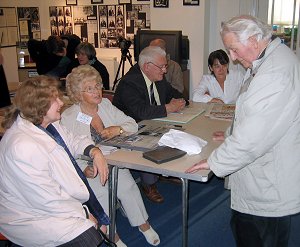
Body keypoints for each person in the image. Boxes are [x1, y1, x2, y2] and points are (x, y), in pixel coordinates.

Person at [186, 15, 300, 247]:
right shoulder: (266, 60)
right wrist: (229, 134)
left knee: (259, 237)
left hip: (268, 185)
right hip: (265, 175)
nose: (233, 58)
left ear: (254, 40)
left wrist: (214, 161)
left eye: (234, 50)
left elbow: (252, 138)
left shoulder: (274, 73)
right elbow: (252, 114)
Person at [0, 76, 110, 246]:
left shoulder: (47, 124)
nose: (61, 103)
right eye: (56, 99)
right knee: (89, 237)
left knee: (96, 230)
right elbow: (46, 199)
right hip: (28, 214)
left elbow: (74, 140)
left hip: (49, 204)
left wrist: (95, 152)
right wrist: (83, 213)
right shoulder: (22, 146)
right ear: (39, 105)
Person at [61, 65, 160, 247]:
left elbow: (132, 124)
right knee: (101, 195)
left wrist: (118, 129)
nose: (97, 91)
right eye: (90, 89)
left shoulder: (105, 105)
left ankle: (143, 224)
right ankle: (112, 233)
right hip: (89, 167)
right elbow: (66, 152)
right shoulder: (69, 116)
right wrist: (84, 169)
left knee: (129, 188)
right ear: (77, 93)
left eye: (98, 85)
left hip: (114, 160)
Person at [113, 46, 187, 203]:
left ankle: (165, 170)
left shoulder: (158, 79)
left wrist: (180, 101)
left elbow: (179, 95)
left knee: (180, 130)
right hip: (130, 128)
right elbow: (141, 112)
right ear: (147, 66)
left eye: (165, 66)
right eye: (162, 66)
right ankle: (149, 183)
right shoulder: (129, 83)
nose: (165, 70)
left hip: (153, 123)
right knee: (153, 139)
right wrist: (169, 108)